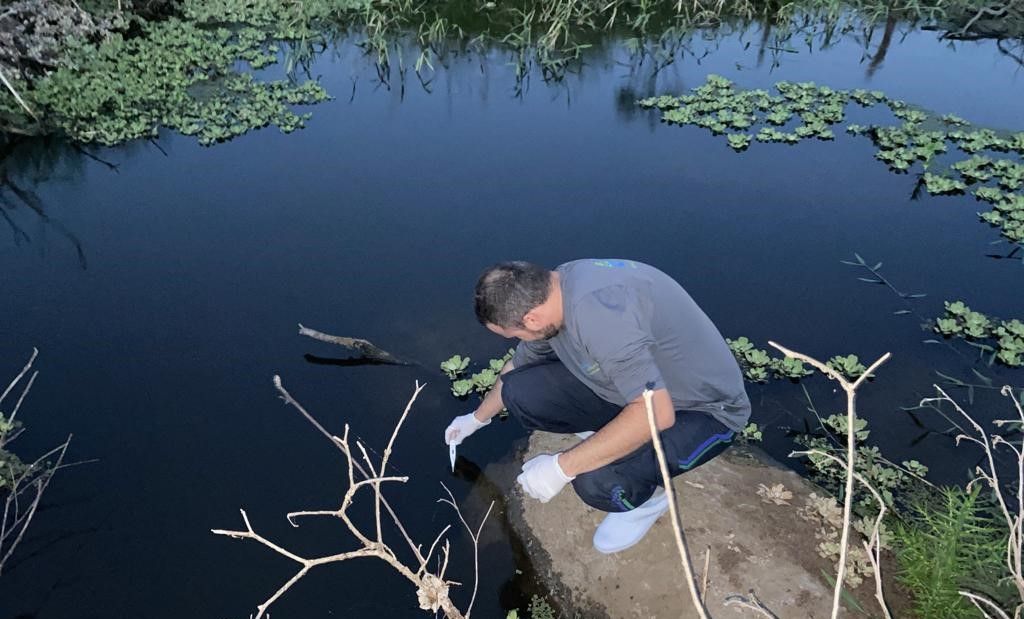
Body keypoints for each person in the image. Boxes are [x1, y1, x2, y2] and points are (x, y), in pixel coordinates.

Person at [444, 259, 751, 554]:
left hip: (704, 409)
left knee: (597, 482)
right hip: (632, 387)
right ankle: (615, 439)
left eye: (513, 334)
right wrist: (476, 418)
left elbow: (656, 412)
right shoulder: (553, 292)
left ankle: (649, 499)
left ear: (531, 319)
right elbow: (517, 365)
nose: (514, 340)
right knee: (520, 391)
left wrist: (560, 468)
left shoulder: (603, 315)